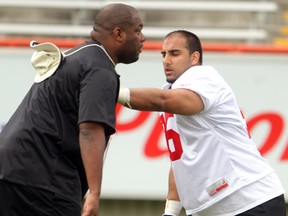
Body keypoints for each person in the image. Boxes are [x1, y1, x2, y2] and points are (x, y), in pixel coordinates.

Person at [118, 30, 286, 216]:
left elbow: (163, 100)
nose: (166, 60)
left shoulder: (202, 77)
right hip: (216, 208)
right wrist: (171, 212)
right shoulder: (171, 91)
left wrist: (116, 92)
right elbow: (180, 160)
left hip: (249, 201)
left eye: (175, 53)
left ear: (194, 57)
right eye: (163, 54)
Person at [0, 3, 145, 216]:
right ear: (118, 34)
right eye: (138, 30)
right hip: (43, 178)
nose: (143, 38)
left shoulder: (79, 55)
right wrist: (94, 193)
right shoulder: (100, 68)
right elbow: (89, 130)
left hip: (11, 171)